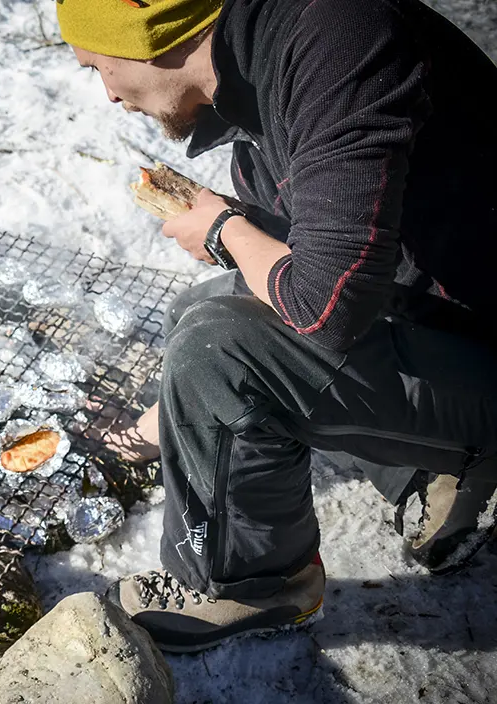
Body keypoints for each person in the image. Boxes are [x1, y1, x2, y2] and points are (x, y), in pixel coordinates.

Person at [55, 0, 497, 653]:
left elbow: (328, 309)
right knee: (204, 312)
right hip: (439, 319)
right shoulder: (265, 57)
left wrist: (225, 230)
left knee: (221, 353)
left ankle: (251, 584)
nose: (109, 95)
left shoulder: (343, 44)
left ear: (150, 27)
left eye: (101, 65)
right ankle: (424, 469)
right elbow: (311, 245)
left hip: (478, 345)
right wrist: (155, 430)